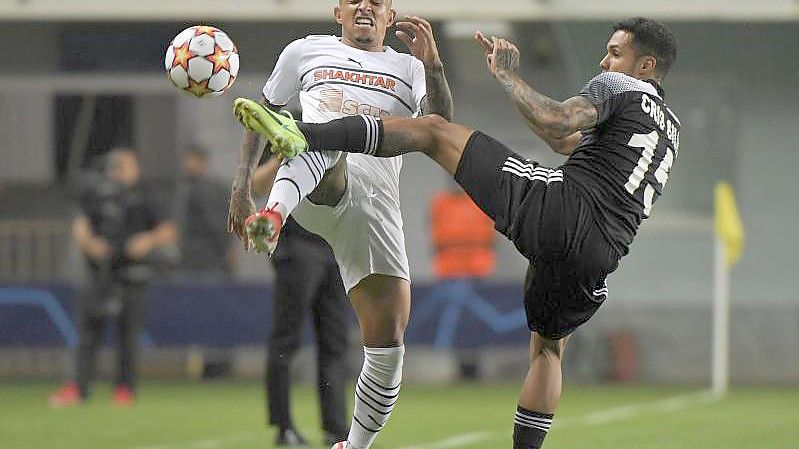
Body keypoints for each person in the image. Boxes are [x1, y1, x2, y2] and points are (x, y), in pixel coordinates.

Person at [233, 17, 679, 449]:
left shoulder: (621, 87)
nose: (604, 63)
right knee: (548, 352)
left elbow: (557, 122)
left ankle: (304, 134)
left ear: (646, 67)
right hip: (602, 254)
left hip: (558, 209)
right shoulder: (669, 129)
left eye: (616, 53)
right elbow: (566, 143)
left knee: (432, 132)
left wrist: (506, 75)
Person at [226, 1, 453, 448]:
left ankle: (353, 444)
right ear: (338, 11)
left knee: (388, 343)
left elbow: (440, 124)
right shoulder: (304, 52)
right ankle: (274, 213)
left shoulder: (408, 67)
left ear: (390, 16)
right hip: (315, 184)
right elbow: (258, 115)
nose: (365, 5)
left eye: (377, 1)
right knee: (322, 135)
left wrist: (434, 64)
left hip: (376, 204)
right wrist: (240, 188)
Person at [50, 148, 177, 407]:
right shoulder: (99, 194)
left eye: (125, 165)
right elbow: (81, 224)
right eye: (116, 166)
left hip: (133, 273)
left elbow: (168, 230)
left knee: (128, 336)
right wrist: (90, 244)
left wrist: (146, 241)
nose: (120, 171)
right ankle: (77, 387)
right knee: (88, 334)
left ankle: (124, 389)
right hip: (100, 272)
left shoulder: (146, 196)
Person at [251, 156, 351, 447]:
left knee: (335, 342)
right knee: (286, 340)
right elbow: (256, 184)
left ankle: (336, 430)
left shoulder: (339, 124)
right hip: (297, 247)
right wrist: (283, 156)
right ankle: (283, 427)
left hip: (333, 247)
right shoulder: (289, 122)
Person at [176, 145, 235, 279]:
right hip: (196, 256)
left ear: (201, 161)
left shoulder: (206, 190)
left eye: (190, 159)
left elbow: (217, 224)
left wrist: (227, 249)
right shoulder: (190, 186)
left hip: (206, 257)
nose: (186, 164)